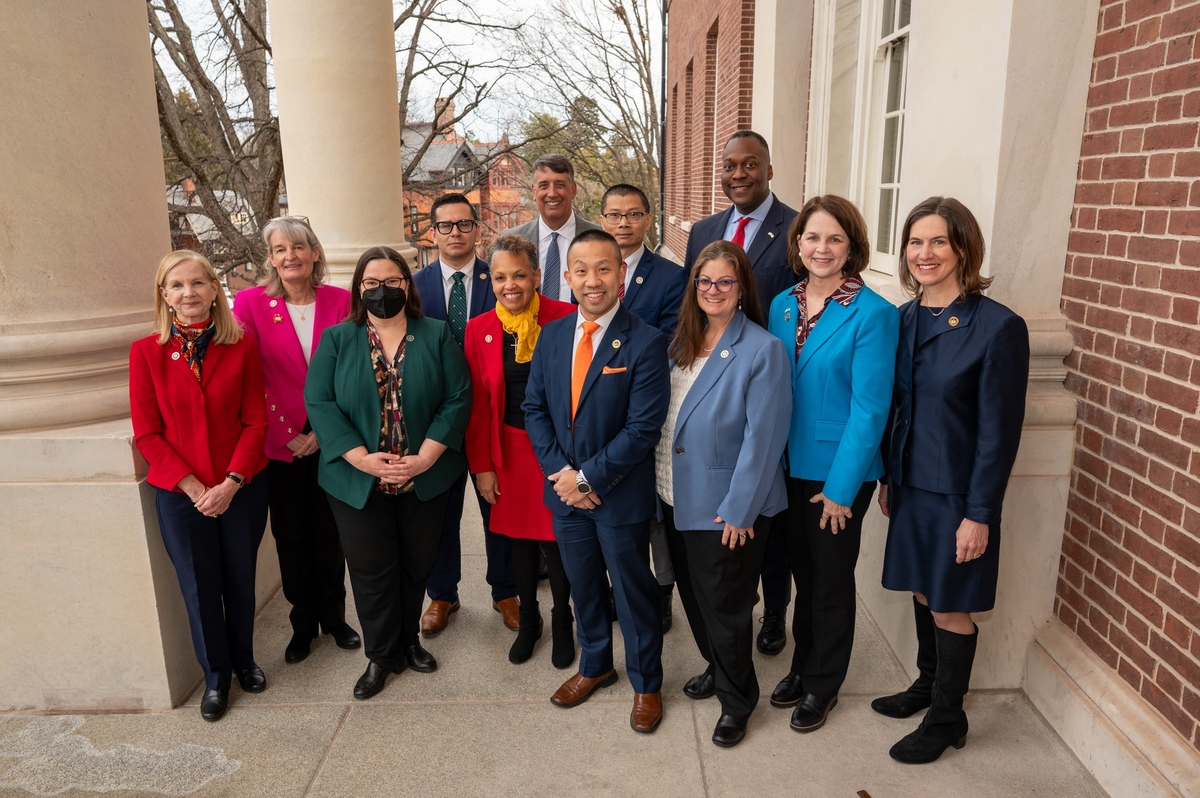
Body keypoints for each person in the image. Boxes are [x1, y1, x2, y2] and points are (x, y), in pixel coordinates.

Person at [873, 196, 1029, 764]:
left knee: (950, 606)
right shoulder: (905, 317)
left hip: (960, 495)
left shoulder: (997, 328)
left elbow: (999, 434)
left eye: (938, 241)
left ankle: (947, 717)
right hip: (912, 485)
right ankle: (926, 684)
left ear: (964, 247)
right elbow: (898, 408)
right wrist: (891, 478)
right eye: (915, 242)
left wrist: (980, 513)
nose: (925, 253)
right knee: (922, 589)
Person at [304, 246, 472, 701]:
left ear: (407, 285)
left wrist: (425, 458)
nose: (383, 291)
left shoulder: (435, 334)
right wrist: (361, 458)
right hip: (357, 479)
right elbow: (319, 403)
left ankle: (409, 642)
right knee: (372, 568)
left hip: (424, 475)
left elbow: (457, 397)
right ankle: (381, 656)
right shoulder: (338, 339)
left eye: (393, 281)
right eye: (372, 284)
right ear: (360, 289)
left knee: (417, 564)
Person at [523, 229, 671, 734]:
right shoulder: (554, 335)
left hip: (617, 496)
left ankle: (647, 682)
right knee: (583, 585)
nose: (593, 280)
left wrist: (586, 479)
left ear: (622, 275)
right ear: (566, 277)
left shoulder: (647, 342)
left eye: (604, 269)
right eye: (581, 270)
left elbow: (642, 429)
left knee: (632, 593)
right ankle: (595, 665)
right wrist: (562, 476)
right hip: (565, 494)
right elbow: (535, 409)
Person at [764, 196, 899, 734]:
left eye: (834, 239)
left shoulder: (874, 313)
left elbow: (870, 409)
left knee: (831, 580)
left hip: (838, 472)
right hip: (786, 465)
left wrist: (842, 489)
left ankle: (824, 684)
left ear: (852, 247)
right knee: (802, 573)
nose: (822, 248)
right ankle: (801, 664)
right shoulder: (781, 304)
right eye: (812, 238)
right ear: (798, 244)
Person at [659, 240, 791, 748]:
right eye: (704, 281)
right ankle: (718, 667)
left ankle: (738, 702)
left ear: (741, 290)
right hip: (673, 496)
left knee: (727, 607)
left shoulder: (762, 349)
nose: (713, 290)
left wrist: (740, 511)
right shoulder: (683, 342)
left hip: (726, 509)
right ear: (694, 287)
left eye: (725, 282)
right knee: (695, 599)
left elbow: (764, 439)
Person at [129, 250, 270, 722]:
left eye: (197, 283)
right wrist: (192, 487)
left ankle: (245, 661)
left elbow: (255, 421)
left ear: (214, 289)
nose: (188, 293)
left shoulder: (241, 344)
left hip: (240, 487)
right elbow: (148, 432)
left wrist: (230, 483)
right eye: (177, 286)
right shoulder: (146, 351)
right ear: (164, 296)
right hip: (181, 495)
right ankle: (216, 678)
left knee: (238, 580)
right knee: (199, 587)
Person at [683, 130, 799, 656]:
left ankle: (774, 611)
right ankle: (734, 619)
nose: (737, 174)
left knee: (764, 514)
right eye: (729, 165)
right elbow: (695, 299)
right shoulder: (705, 230)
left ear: (769, 170)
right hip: (713, 372)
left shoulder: (795, 229)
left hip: (767, 372)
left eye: (749, 165)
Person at [232, 217, 360, 665]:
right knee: (292, 538)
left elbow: (352, 375)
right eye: (280, 249)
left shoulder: (342, 301)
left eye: (299, 247)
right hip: (280, 446)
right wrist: (290, 436)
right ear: (270, 258)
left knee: (332, 535)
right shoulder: (248, 304)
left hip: (331, 443)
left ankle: (336, 619)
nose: (291, 256)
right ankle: (302, 625)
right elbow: (249, 378)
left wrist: (323, 434)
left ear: (315, 253)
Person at [463, 235, 577, 666]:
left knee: (559, 541)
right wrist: (483, 468)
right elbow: (477, 406)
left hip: (556, 450)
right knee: (520, 543)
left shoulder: (564, 317)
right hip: (508, 450)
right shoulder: (479, 329)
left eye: (518, 275)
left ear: (535, 277)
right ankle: (529, 620)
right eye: (499, 276)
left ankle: (563, 619)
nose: (509, 285)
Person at [411, 193, 519, 637]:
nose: (455, 232)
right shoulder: (413, 287)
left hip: (492, 417)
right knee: (439, 513)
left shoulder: (503, 281)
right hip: (436, 422)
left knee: (498, 508)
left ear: (478, 229)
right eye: (445, 225)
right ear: (432, 232)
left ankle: (506, 591)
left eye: (464, 224)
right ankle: (442, 594)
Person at [600, 183, 690, 632]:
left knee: (654, 510)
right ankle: (620, 586)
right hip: (598, 413)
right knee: (613, 503)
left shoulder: (669, 277)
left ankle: (663, 591)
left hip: (648, 407)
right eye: (614, 215)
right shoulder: (592, 268)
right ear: (602, 220)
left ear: (648, 219)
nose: (623, 223)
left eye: (633, 214)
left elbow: (671, 341)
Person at [508, 154, 602, 303]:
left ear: (573, 189)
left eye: (560, 185)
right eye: (544, 185)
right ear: (534, 191)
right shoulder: (510, 240)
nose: (552, 193)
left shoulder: (601, 239)